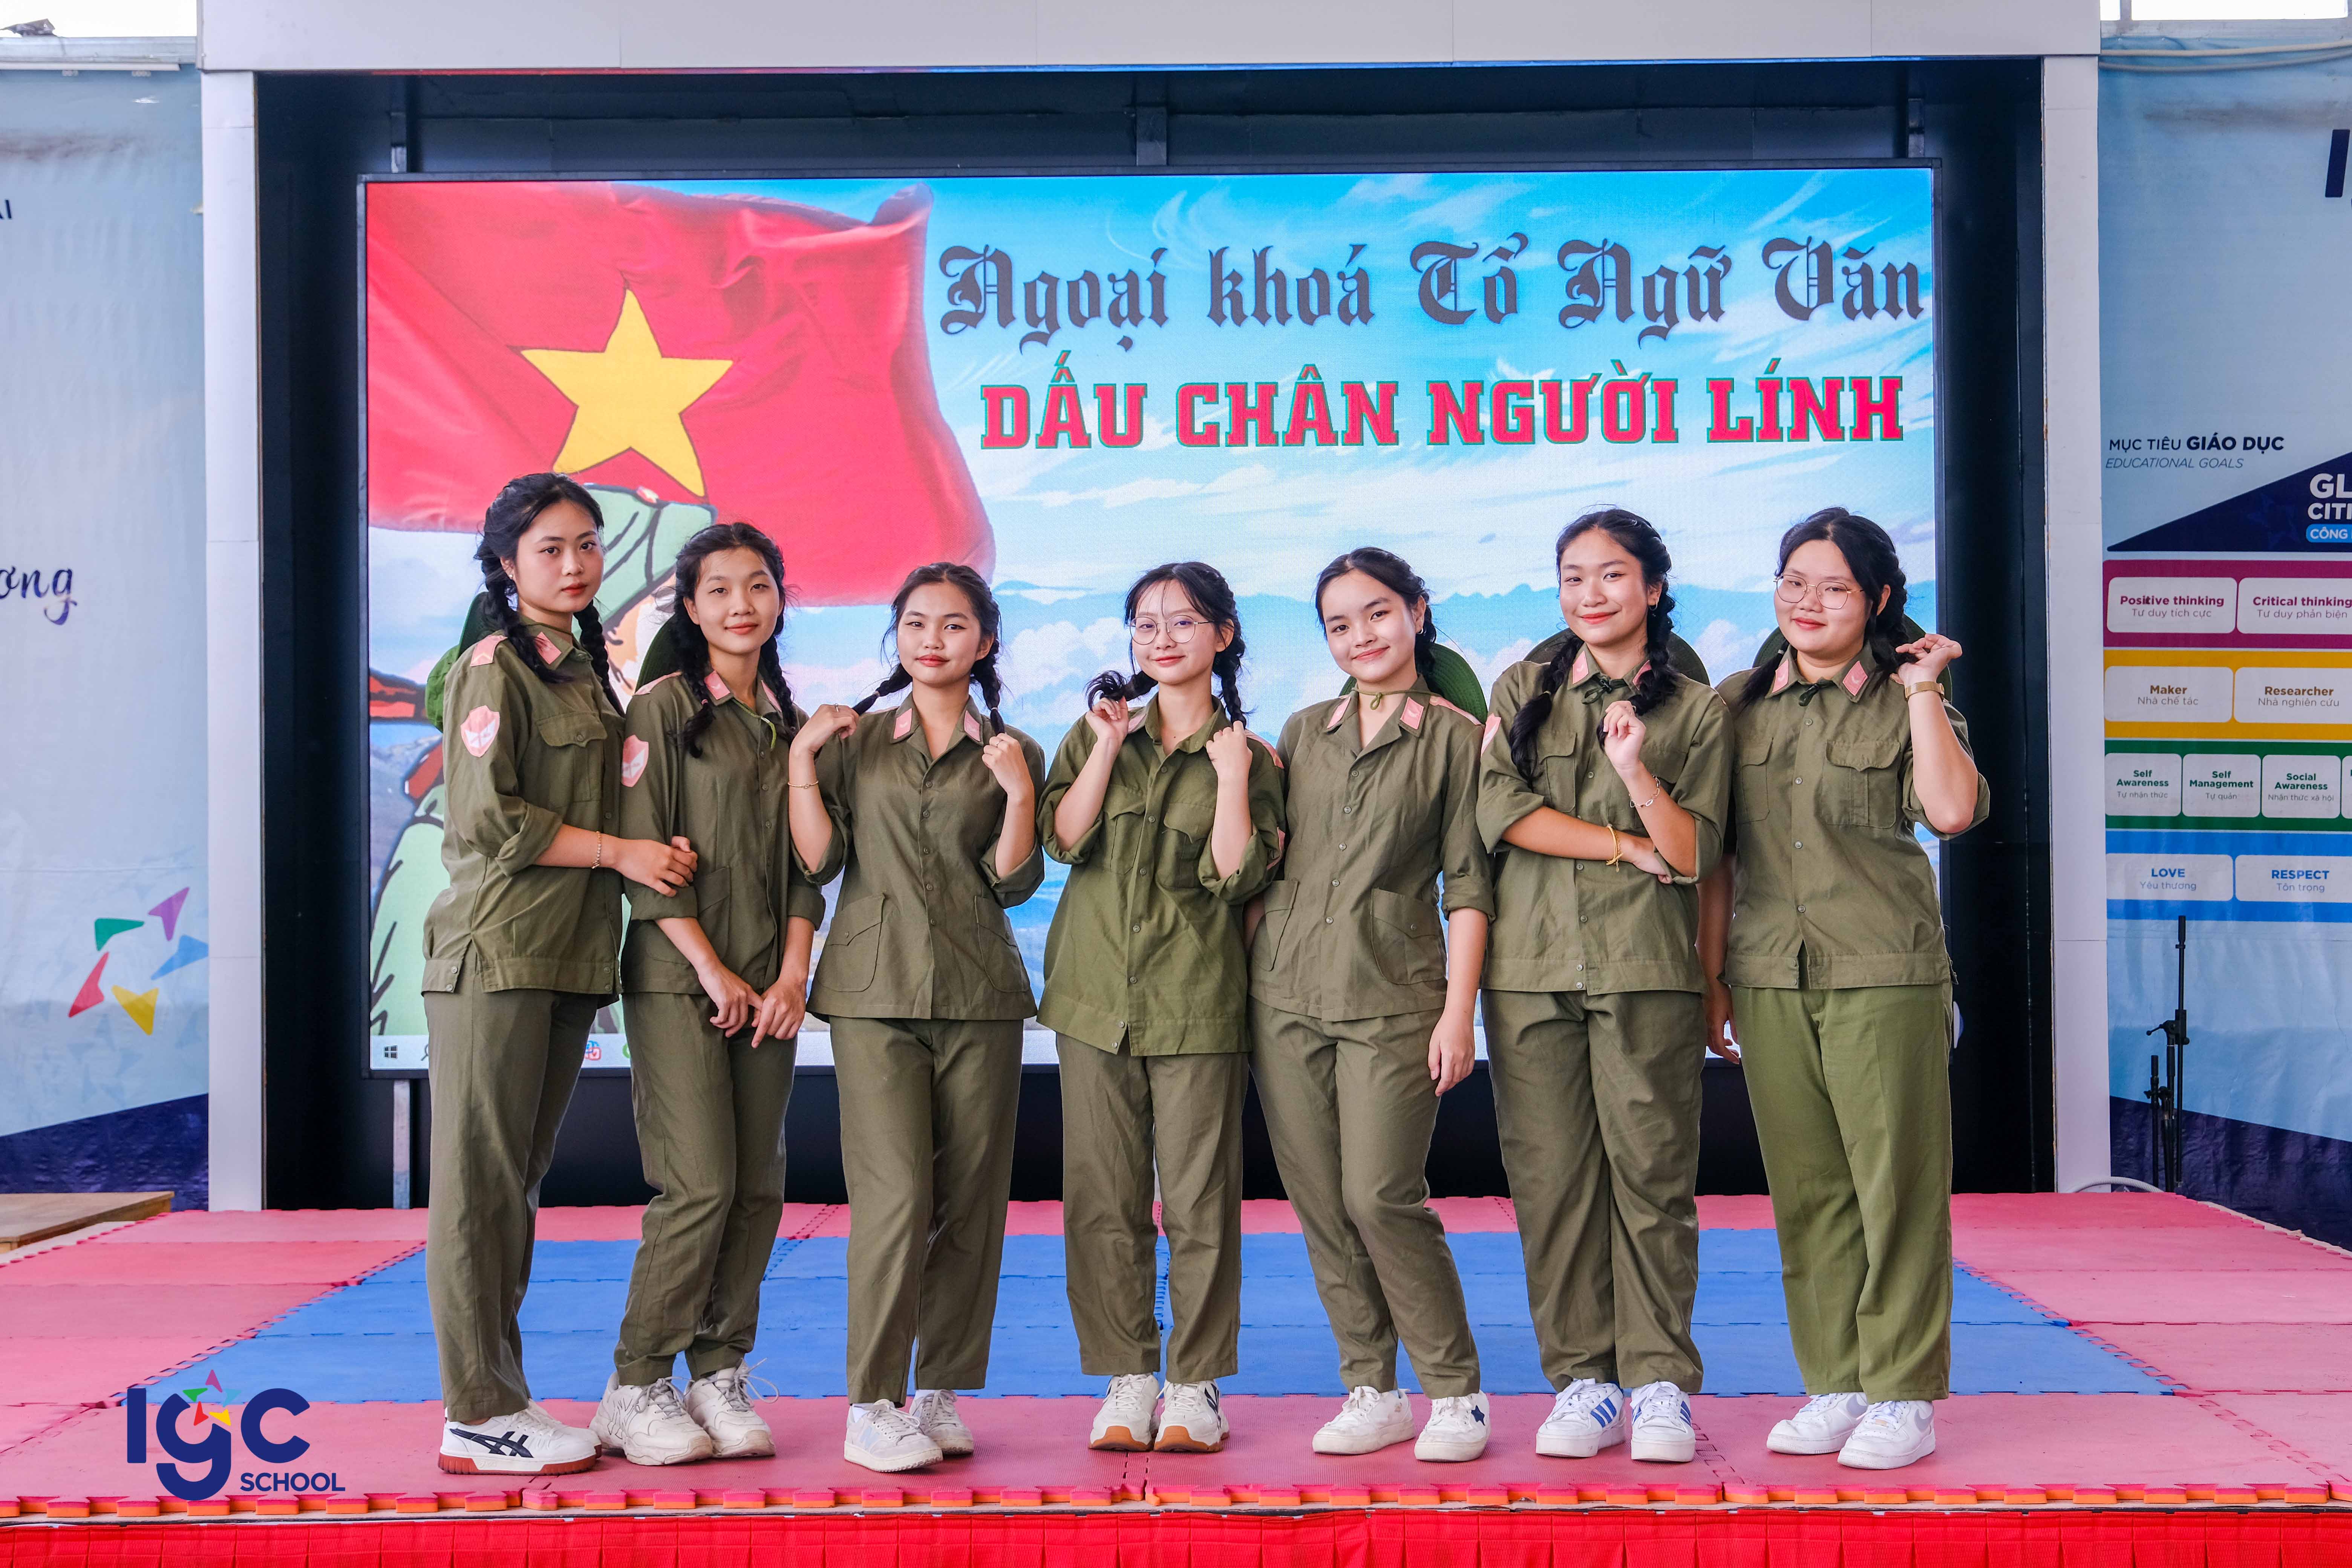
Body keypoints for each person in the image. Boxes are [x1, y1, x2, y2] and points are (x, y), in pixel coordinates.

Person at [1698, 507, 1988, 1472]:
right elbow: (1719, 858)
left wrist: (1923, 690)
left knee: (1895, 1189)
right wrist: (1714, 979)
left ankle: (1903, 1393)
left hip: (1884, 973)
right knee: (1810, 1190)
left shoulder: (1909, 697)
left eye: (1834, 587)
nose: (1808, 602)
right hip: (1770, 974)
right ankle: (1837, 1380)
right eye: (1794, 582)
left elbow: (1951, 810)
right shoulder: (1739, 703)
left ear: (1879, 599)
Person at [422, 473, 697, 1476]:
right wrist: (622, 854)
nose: (576, 564)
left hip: (565, 957)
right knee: (478, 1189)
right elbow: (488, 818)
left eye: (588, 544)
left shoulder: (583, 671)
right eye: (551, 548)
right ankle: (478, 1412)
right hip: (497, 953)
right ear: (507, 563)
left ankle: (503, 1396)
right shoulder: (493, 669)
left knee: (514, 1184)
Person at [1477, 508, 1731, 1465]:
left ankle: (1660, 1381)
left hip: (1646, 972)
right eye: (1574, 577)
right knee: (1552, 1185)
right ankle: (1584, 1382)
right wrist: (1624, 844)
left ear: (1654, 588)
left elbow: (1695, 853)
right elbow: (1499, 810)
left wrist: (1635, 774)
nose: (1592, 594)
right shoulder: (1521, 687)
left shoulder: (1696, 710)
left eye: (1613, 574)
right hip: (1530, 972)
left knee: (1654, 1181)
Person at [786, 564, 1048, 1474]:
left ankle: (937, 1391)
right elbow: (819, 862)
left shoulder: (1012, 748)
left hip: (980, 992)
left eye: (954, 624)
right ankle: (871, 1402)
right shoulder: (855, 742)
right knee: (896, 1198)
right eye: (916, 624)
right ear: (896, 636)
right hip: (873, 995)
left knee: (971, 1199)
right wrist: (800, 764)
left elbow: (1014, 882)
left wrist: (1020, 794)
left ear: (986, 641)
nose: (932, 640)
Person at [1249, 548, 1495, 1462]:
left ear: (1418, 612)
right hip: (1284, 994)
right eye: (1340, 624)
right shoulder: (1303, 731)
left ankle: (1456, 1393)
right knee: (1321, 1201)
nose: (1362, 636)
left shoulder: (1458, 739)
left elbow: (1469, 884)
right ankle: (1372, 1388)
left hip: (1393, 994)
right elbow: (1268, 866)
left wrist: (1459, 1013)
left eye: (1379, 613)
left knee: (1381, 1195)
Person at [1037, 561, 1286, 1456]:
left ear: (1223, 634)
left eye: (1184, 621)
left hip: (1197, 1001)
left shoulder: (1251, 757)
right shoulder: (1098, 734)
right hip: (1092, 997)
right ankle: (1128, 1374)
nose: (1163, 638)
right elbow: (1062, 840)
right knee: (1101, 1197)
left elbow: (1235, 876)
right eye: (1146, 624)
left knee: (1199, 1202)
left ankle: (1195, 1380)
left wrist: (1230, 777)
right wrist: (1107, 746)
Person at [591, 523, 822, 1466]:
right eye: (719, 589)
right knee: (700, 1184)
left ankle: (718, 1371)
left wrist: (793, 974)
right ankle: (636, 1381)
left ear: (780, 599)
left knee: (759, 1185)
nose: (741, 604)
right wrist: (713, 970)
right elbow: (647, 856)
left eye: (758, 585)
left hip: (770, 987)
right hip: (680, 978)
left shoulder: (790, 721)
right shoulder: (662, 708)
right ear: (689, 607)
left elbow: (810, 866)